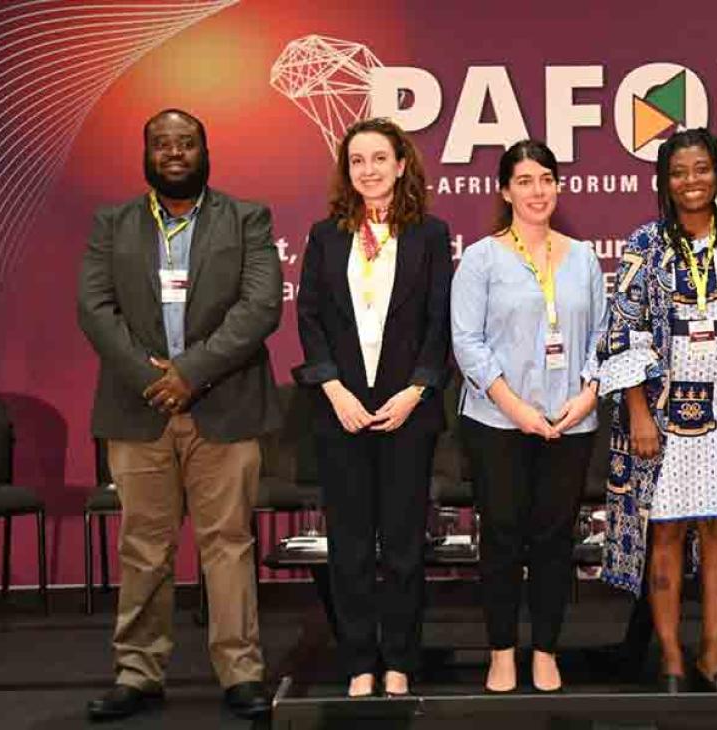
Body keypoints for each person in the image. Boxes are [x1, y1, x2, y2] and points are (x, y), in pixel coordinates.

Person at [77, 109, 281, 721]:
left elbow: (260, 306)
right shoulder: (112, 223)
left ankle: (241, 673)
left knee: (228, 545)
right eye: (162, 143)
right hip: (138, 410)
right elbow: (94, 308)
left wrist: (190, 372)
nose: (173, 152)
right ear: (146, 153)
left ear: (204, 150)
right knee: (143, 547)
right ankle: (137, 673)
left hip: (225, 405)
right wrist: (154, 380)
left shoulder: (246, 218)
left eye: (185, 143)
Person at [596, 128, 717, 693]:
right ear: (664, 182)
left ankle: (713, 658)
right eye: (678, 172)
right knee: (666, 532)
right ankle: (673, 660)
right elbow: (622, 334)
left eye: (701, 169)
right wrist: (637, 411)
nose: (691, 181)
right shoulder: (645, 244)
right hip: (660, 414)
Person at [294, 117, 452, 698]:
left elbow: (439, 322)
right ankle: (360, 660)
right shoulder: (325, 236)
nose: (369, 170)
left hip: (408, 411)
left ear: (402, 165)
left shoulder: (430, 235)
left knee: (405, 547)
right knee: (351, 547)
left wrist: (417, 391)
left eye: (379, 158)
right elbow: (309, 317)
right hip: (342, 412)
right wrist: (333, 390)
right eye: (357, 160)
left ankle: (401, 660)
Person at [451, 140, 605, 693]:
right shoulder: (482, 258)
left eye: (545, 179)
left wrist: (588, 396)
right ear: (505, 191)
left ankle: (545, 649)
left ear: (557, 186)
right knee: (501, 537)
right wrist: (515, 409)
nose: (537, 191)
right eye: (524, 181)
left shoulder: (583, 258)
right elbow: (467, 342)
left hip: (569, 422)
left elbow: (603, 337)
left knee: (554, 539)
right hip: (497, 422)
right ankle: (500, 651)